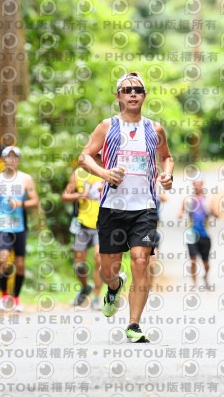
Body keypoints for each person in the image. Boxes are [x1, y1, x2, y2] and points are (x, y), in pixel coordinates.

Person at [78, 71, 174, 342]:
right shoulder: (107, 127)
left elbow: (167, 157)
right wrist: (104, 173)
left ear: (144, 96)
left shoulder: (155, 129)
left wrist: (167, 175)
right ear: (118, 96)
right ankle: (113, 287)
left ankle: (134, 325)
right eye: (127, 90)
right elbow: (84, 157)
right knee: (108, 270)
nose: (133, 94)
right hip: (112, 208)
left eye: (138, 90)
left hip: (145, 208)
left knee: (141, 262)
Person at [0, 146, 39, 311]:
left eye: (15, 157)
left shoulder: (26, 179)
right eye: (9, 157)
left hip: (20, 226)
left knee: (20, 263)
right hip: (2, 226)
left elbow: (35, 201)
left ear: (19, 160)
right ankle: (4, 296)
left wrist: (20, 203)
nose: (12, 160)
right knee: (2, 260)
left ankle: (16, 298)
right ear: (3, 160)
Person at [62, 153, 104, 310]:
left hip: (102, 225)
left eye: (99, 156)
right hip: (82, 224)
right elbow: (65, 196)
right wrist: (79, 195)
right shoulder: (78, 174)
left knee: (99, 259)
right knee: (79, 265)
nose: (97, 158)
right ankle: (86, 286)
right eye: (94, 155)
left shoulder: (108, 172)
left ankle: (96, 298)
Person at [178, 174, 219, 289]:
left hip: (204, 234)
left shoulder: (208, 199)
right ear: (193, 184)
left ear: (202, 184)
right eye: (195, 184)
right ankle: (195, 284)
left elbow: (217, 215)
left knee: (206, 263)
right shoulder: (188, 199)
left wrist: (211, 209)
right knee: (193, 260)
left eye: (199, 183)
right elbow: (180, 212)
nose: (197, 186)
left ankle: (205, 276)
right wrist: (180, 214)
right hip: (191, 233)